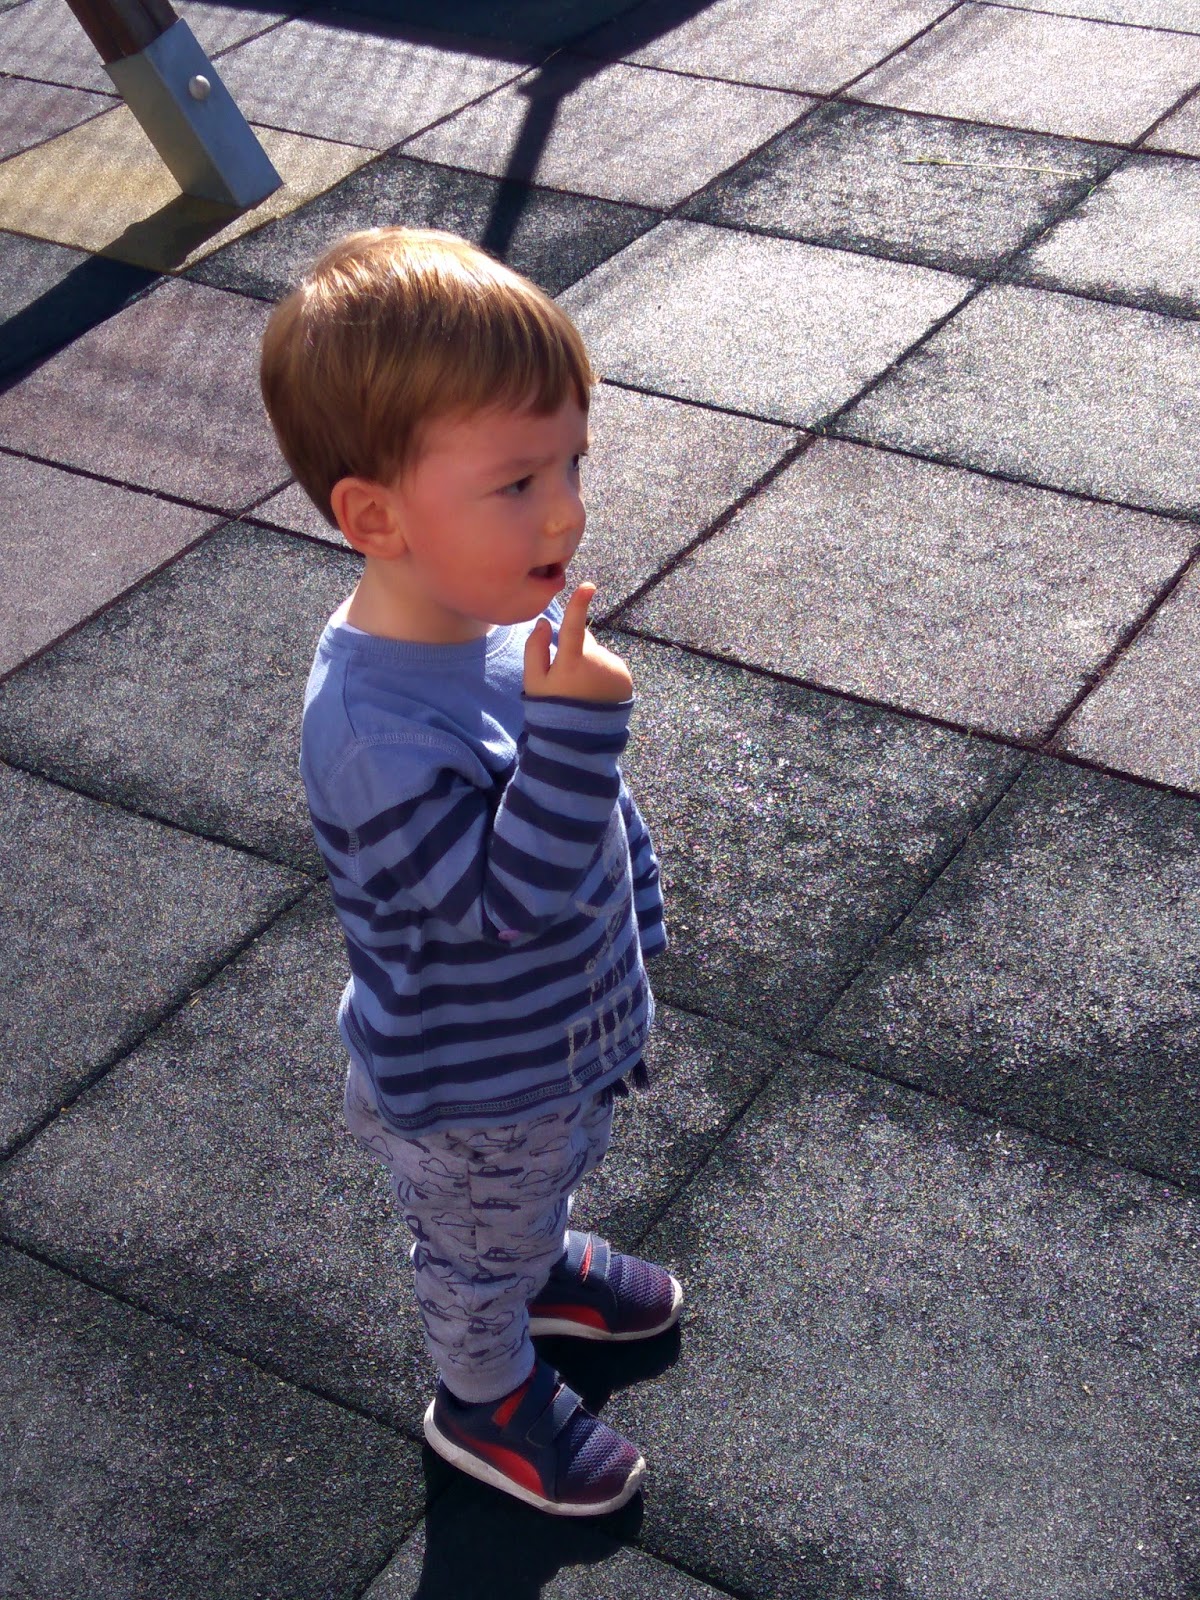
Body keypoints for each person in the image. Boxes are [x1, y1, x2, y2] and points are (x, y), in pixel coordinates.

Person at [260, 227, 682, 1517]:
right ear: (374, 517)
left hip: (553, 1048)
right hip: (475, 1087)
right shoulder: (372, 732)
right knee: (471, 1249)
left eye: (572, 463)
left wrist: (637, 917)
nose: (567, 510)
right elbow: (504, 907)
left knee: (536, 1192)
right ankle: (483, 1391)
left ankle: (537, 1262)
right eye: (516, 482)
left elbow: (591, 826)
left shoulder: (498, 628)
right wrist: (580, 730)